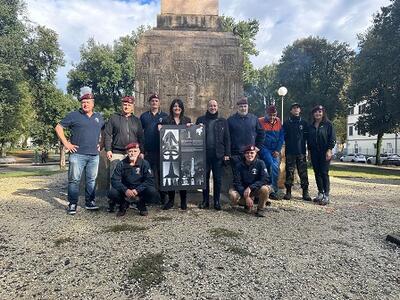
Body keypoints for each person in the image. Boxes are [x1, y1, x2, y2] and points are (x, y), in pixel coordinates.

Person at [55, 86, 105, 215]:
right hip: (77, 154)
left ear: (93, 104)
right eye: (83, 102)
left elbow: (105, 131)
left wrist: (102, 143)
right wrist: (66, 144)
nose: (85, 104)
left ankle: (90, 202)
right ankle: (72, 204)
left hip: (94, 155)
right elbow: (58, 127)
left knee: (91, 180)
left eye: (88, 102)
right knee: (74, 180)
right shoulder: (73, 115)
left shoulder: (99, 117)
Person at [196, 99, 231, 210]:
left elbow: (227, 139)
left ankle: (216, 201)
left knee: (217, 179)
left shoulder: (223, 121)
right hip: (204, 155)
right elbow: (194, 135)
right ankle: (205, 201)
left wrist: (227, 153)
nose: (213, 107)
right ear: (207, 107)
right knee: (204, 179)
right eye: (210, 105)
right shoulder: (200, 120)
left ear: (217, 107)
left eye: (214, 105)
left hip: (218, 155)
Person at [108, 142, 159, 217]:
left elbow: (149, 180)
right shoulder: (121, 164)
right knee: (112, 193)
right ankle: (123, 204)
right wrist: (125, 190)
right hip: (125, 190)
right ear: (127, 152)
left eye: (135, 151)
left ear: (138, 152)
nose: (132, 153)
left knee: (153, 192)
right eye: (130, 151)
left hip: (139, 190)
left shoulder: (144, 163)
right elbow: (114, 180)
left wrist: (137, 190)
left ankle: (141, 204)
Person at [160, 98, 192, 210]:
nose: (177, 108)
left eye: (179, 106)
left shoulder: (187, 120)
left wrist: (192, 128)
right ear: (171, 108)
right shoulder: (165, 120)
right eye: (175, 106)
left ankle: (183, 201)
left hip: (184, 152)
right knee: (171, 176)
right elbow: (161, 136)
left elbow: (191, 134)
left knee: (183, 174)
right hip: (170, 151)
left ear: (182, 108)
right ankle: (171, 200)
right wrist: (160, 128)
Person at [104, 95, 144, 178]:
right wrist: (108, 150)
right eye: (125, 104)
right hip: (116, 153)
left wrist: (142, 151)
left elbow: (141, 137)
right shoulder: (114, 118)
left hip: (132, 153)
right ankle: (114, 191)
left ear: (132, 106)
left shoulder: (136, 120)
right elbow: (107, 134)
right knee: (115, 177)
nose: (127, 107)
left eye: (129, 105)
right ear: (121, 105)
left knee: (131, 178)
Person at [140, 94, 168, 204]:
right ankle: (148, 198)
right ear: (149, 103)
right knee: (148, 175)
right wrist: (141, 151)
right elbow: (140, 134)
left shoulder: (165, 116)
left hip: (161, 152)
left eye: (156, 100)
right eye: (152, 101)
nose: (154, 102)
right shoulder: (144, 116)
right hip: (148, 151)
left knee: (162, 175)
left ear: (159, 103)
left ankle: (163, 198)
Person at [228, 145, 271, 217]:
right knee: (233, 195)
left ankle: (260, 209)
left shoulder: (260, 163)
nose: (249, 155)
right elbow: (237, 183)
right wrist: (247, 197)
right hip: (243, 190)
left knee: (265, 189)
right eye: (247, 153)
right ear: (244, 154)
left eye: (252, 153)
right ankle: (247, 204)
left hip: (255, 189)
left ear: (255, 154)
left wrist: (250, 187)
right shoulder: (239, 165)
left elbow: (265, 179)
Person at [282, 103, 311, 201]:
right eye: (294, 108)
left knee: (303, 173)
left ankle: (305, 192)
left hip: (301, 152)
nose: (296, 109)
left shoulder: (304, 123)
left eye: (297, 108)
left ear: (300, 110)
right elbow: (283, 137)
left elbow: (308, 138)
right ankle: (288, 192)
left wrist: (308, 151)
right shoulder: (286, 123)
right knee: (289, 172)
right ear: (291, 111)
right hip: (290, 152)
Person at [308, 105, 336, 205]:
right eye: (316, 112)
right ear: (313, 114)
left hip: (325, 152)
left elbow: (332, 138)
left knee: (324, 172)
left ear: (323, 113)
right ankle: (320, 192)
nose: (318, 113)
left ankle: (326, 195)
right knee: (317, 172)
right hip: (314, 152)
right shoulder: (311, 125)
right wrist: (309, 153)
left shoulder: (328, 124)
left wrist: (329, 150)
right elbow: (309, 141)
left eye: (320, 112)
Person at [258, 105, 284, 200]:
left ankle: (274, 189)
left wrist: (277, 150)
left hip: (275, 149)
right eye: (270, 115)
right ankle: (269, 187)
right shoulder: (260, 121)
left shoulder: (278, 121)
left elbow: (281, 137)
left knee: (276, 167)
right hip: (264, 148)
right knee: (269, 164)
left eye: (274, 115)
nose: (272, 117)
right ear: (266, 114)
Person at [227, 97, 264, 163]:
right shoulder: (230, 120)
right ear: (237, 107)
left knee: (251, 173)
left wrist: (258, 147)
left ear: (247, 107)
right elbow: (227, 137)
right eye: (241, 106)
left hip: (251, 153)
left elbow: (261, 133)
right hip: (236, 153)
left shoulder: (254, 119)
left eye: (245, 106)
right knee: (237, 173)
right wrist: (228, 152)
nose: (243, 108)